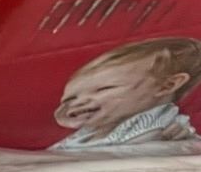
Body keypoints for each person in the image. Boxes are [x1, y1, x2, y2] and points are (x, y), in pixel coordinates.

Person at [51, 37, 201, 150]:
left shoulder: (162, 131)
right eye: (71, 98)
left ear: (166, 86)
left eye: (104, 89)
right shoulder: (86, 135)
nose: (79, 102)